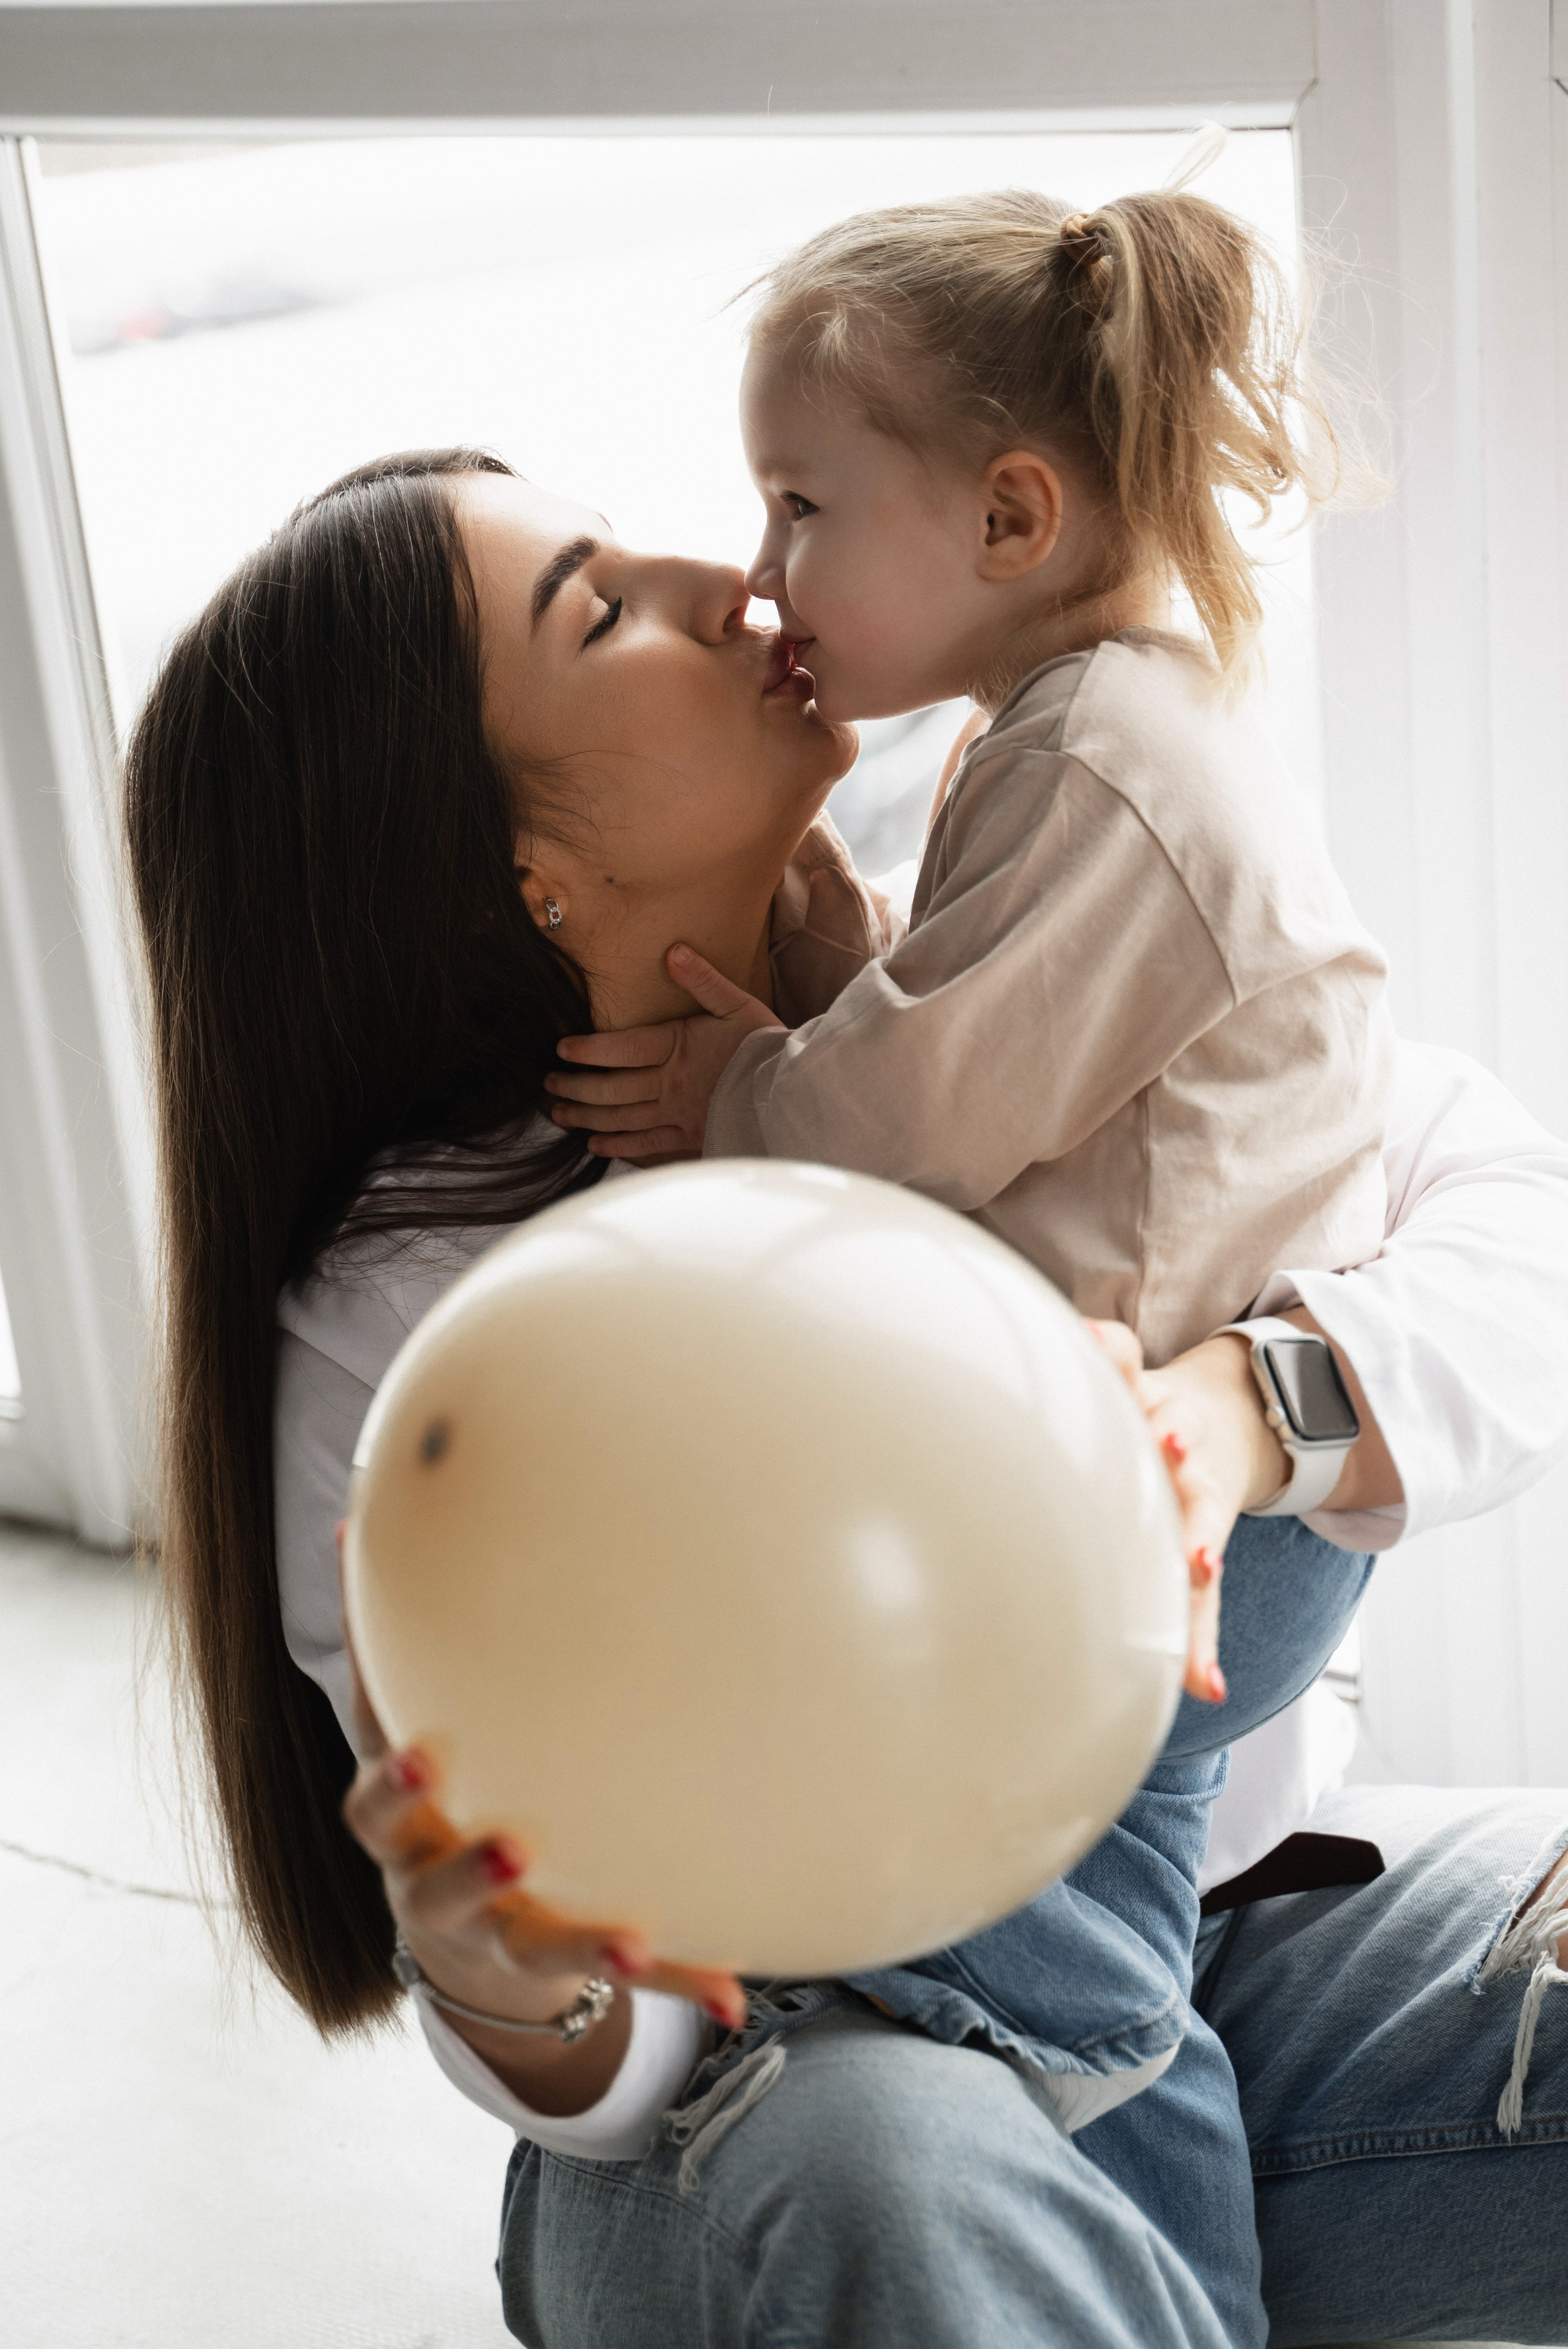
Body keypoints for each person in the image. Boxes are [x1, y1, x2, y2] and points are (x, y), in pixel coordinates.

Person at [123, 448, 1568, 2347]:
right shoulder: (426, 1336)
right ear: (523, 867)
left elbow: (1505, 1215)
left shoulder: (954, 982)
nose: (722, 576)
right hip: (780, 2095)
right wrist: (521, 1980)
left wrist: (1244, 1402)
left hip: (1220, 1954)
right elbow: (627, 2054)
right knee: (902, 2174)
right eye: (598, 607)